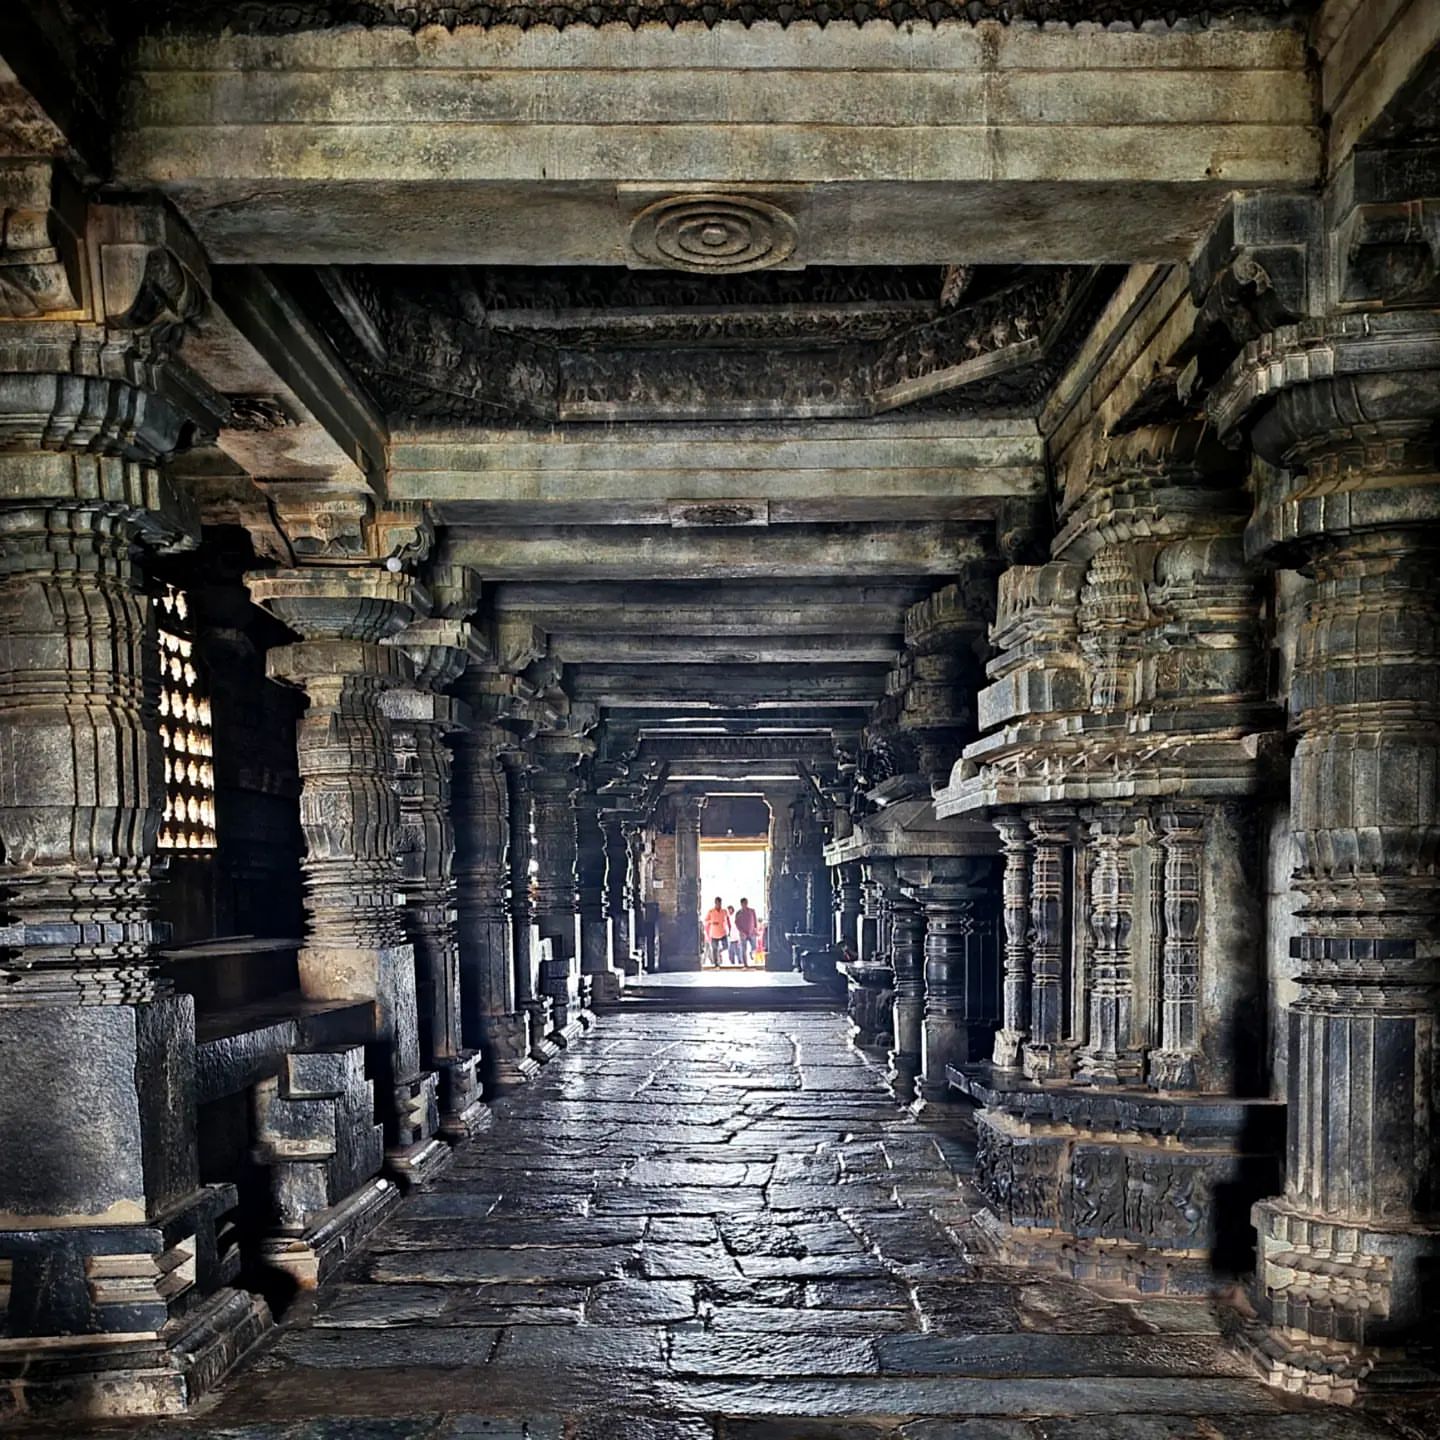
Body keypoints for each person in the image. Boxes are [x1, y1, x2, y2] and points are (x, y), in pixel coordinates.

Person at [703, 896, 731, 967]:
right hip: (714, 933)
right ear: (715, 903)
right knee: (714, 949)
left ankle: (720, 951)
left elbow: (728, 920)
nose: (718, 904)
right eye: (717, 903)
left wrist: (729, 929)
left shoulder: (724, 911)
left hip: (723, 932)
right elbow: (705, 921)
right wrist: (712, 922)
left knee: (726, 946)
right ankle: (716, 964)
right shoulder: (711, 911)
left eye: (720, 903)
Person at [734, 896, 759, 966]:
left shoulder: (752, 911)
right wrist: (741, 931)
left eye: (746, 903)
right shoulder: (738, 913)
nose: (745, 904)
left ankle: (751, 952)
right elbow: (736, 923)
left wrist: (755, 929)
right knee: (743, 949)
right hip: (743, 933)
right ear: (741, 904)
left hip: (751, 932)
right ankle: (745, 964)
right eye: (743, 903)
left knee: (754, 946)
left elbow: (755, 920)